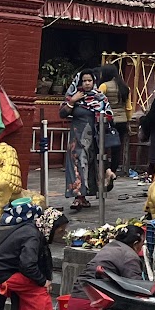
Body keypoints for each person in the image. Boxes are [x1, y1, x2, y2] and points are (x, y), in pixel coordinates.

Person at [63, 222, 144, 310]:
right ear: (135, 243)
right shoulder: (129, 256)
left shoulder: (110, 247)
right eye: (142, 243)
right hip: (92, 307)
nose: (142, 247)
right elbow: (136, 288)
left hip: (74, 305)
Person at [61, 70, 113, 211]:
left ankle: (86, 195)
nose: (87, 83)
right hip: (76, 139)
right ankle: (78, 197)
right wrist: (72, 101)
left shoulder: (100, 98)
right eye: (84, 81)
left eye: (89, 80)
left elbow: (109, 115)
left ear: (94, 81)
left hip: (95, 139)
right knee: (77, 165)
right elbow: (62, 113)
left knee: (91, 166)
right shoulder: (74, 96)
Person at [99, 65, 131, 177]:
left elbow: (98, 103)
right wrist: (128, 120)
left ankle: (105, 169)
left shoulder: (103, 86)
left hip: (108, 121)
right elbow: (128, 107)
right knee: (117, 147)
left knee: (103, 145)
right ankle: (114, 170)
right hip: (122, 120)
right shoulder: (124, 87)